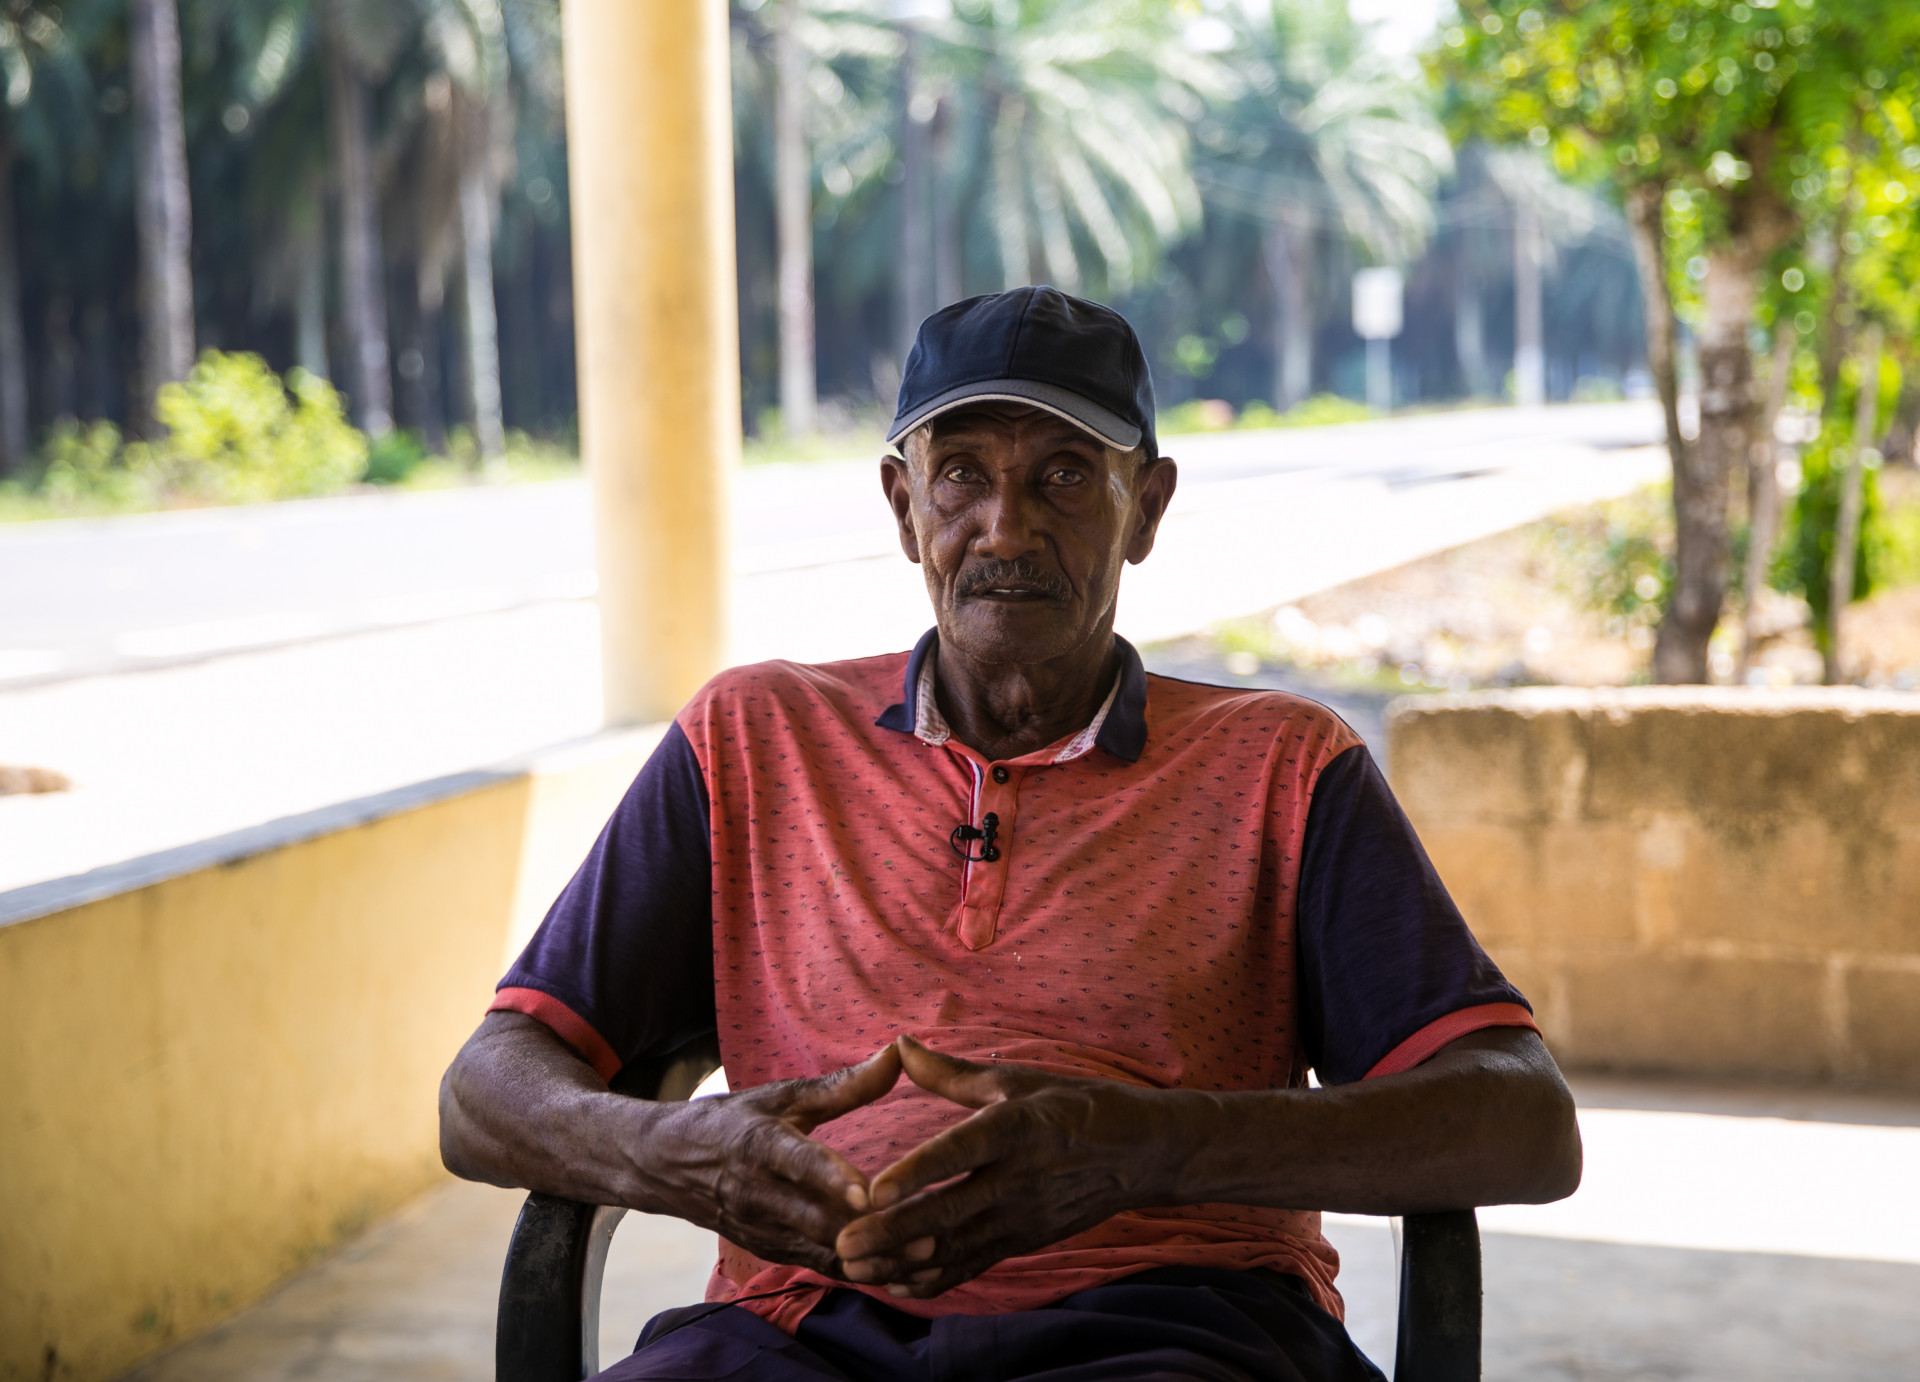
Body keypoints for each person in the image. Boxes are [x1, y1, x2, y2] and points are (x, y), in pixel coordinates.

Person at [440, 286, 1582, 1381]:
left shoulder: (1282, 765)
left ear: (1147, 509)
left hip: (1180, 1324)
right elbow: (483, 1090)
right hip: (795, 1329)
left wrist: (1151, 1149)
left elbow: (1523, 1120)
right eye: (962, 476)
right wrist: (669, 1153)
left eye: (1066, 476)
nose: (1007, 527)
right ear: (904, 506)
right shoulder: (752, 738)